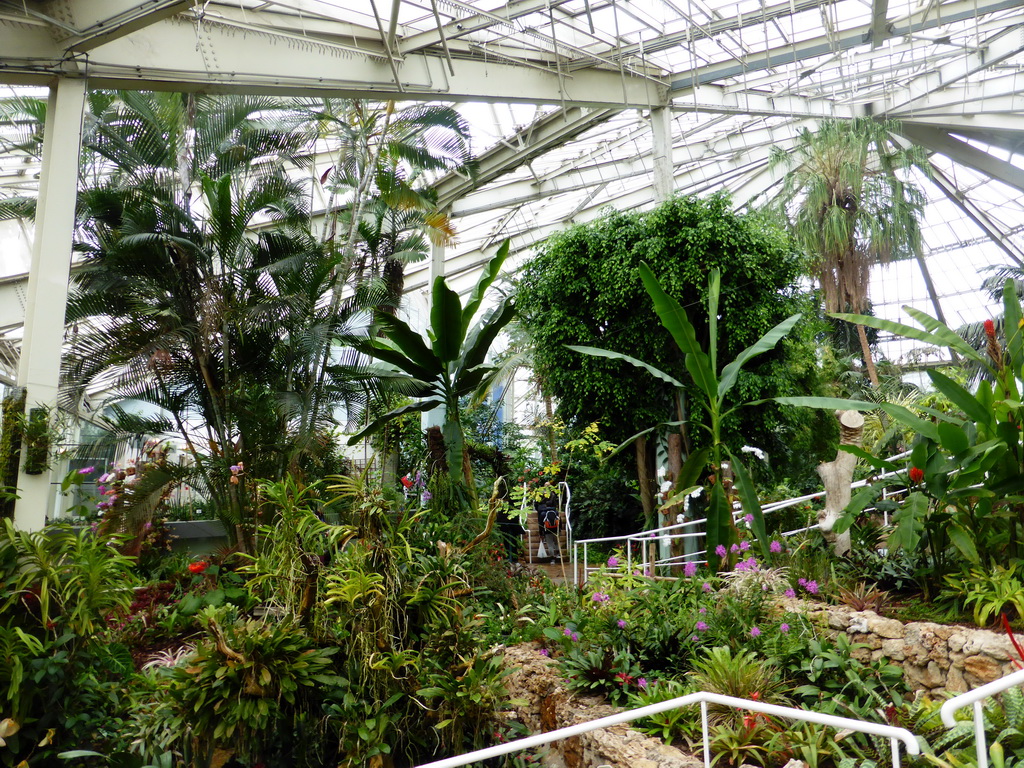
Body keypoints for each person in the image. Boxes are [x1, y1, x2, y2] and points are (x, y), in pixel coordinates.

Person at [535, 487, 560, 563]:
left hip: (547, 530)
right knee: (556, 542)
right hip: (556, 530)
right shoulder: (556, 512)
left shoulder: (543, 513)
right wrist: (560, 529)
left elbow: (541, 523)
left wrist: (541, 533)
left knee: (549, 544)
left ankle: (552, 558)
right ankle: (558, 554)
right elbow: (560, 521)